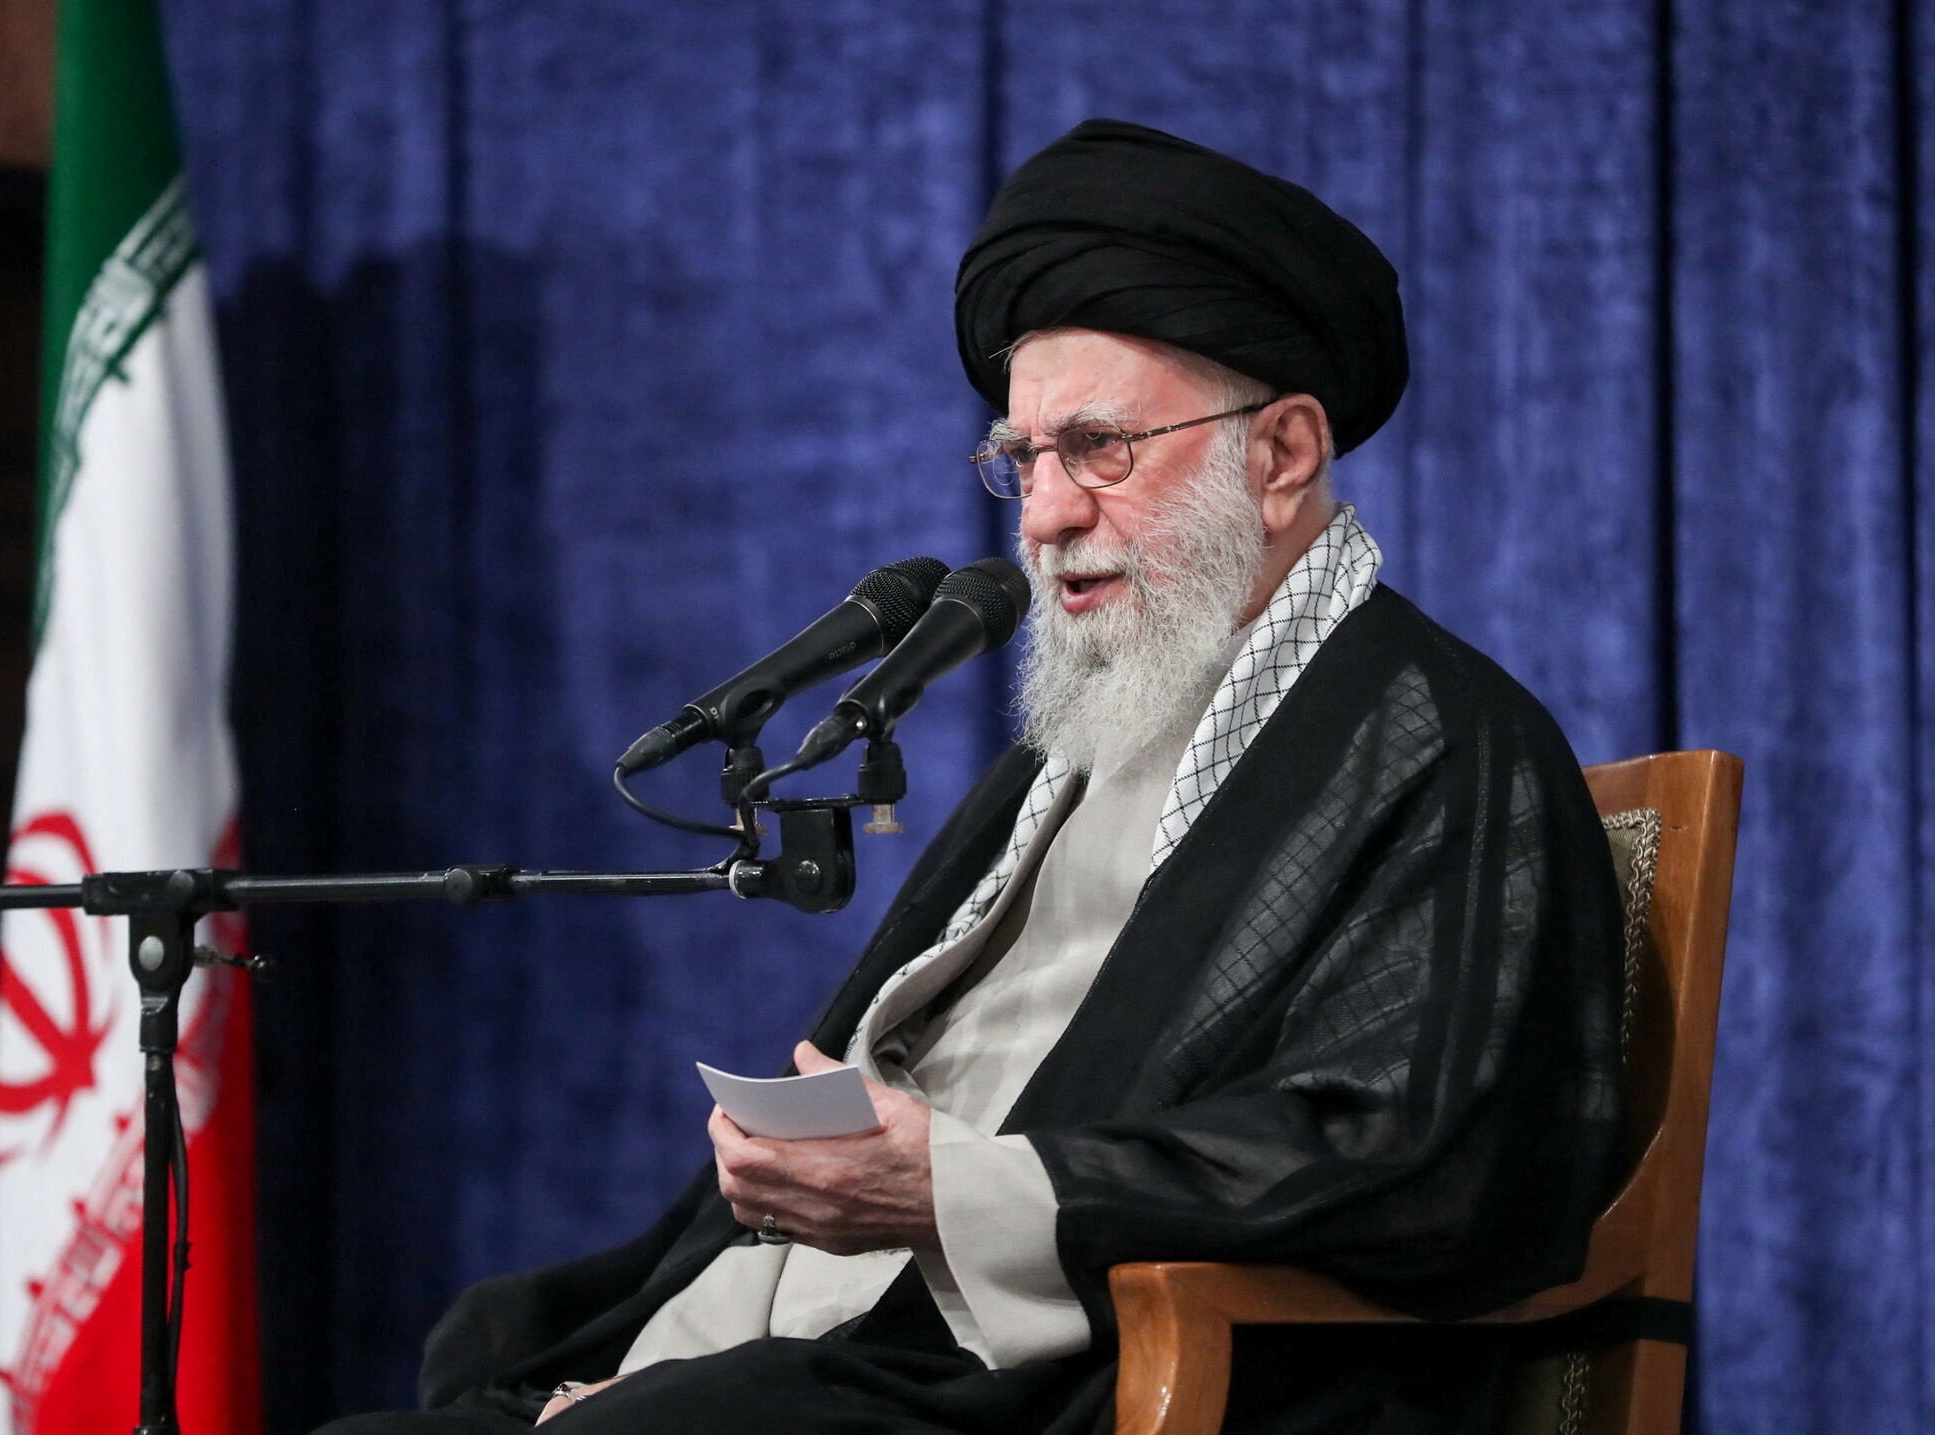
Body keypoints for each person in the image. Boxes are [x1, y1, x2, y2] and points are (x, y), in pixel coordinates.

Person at [322, 118, 1624, 1435]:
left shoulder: (1438, 745)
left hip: (1076, 1378)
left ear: (1281, 456)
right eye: (1023, 459)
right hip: (840, 1341)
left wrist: (953, 1190)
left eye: (1100, 447)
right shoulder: (1076, 745)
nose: (1045, 512)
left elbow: (1418, 1166)